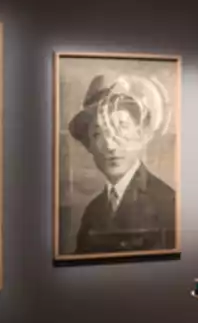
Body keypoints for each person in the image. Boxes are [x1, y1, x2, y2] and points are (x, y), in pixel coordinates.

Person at [68, 72, 176, 254]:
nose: (110, 145)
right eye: (98, 134)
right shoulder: (93, 210)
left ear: (140, 133)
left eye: (120, 128)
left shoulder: (167, 203)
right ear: (90, 145)